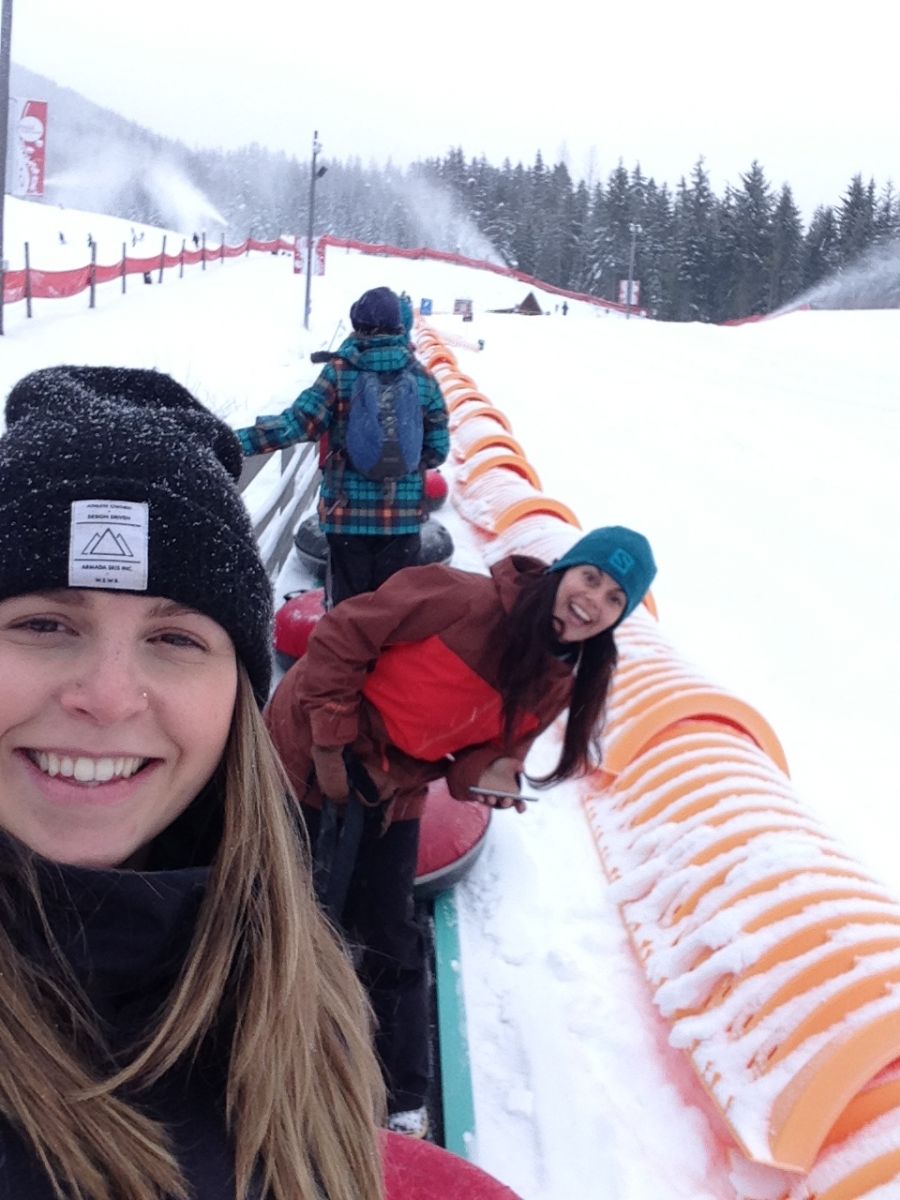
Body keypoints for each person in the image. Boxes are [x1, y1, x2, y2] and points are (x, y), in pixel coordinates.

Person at [0, 366, 385, 1200]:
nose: (104, 697)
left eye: (175, 639)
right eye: (42, 624)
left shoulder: (301, 985)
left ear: (238, 695)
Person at [264, 525, 657, 1138]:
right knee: (282, 903)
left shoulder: (560, 677)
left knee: (389, 929)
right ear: (564, 570)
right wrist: (332, 745)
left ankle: (400, 1093)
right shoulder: (458, 598)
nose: (594, 601)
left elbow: (478, 755)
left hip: (394, 785)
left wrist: (490, 776)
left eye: (614, 598)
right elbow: (341, 634)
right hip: (306, 751)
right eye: (591, 577)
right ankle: (248, 1044)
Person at [235, 286, 449, 608]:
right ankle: (386, 658)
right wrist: (400, 462)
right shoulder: (422, 377)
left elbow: (297, 424)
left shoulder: (339, 372)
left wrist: (235, 441)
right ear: (400, 328)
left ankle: (349, 658)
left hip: (347, 515)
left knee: (347, 615)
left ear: (357, 325)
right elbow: (438, 449)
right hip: (403, 518)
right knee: (393, 614)